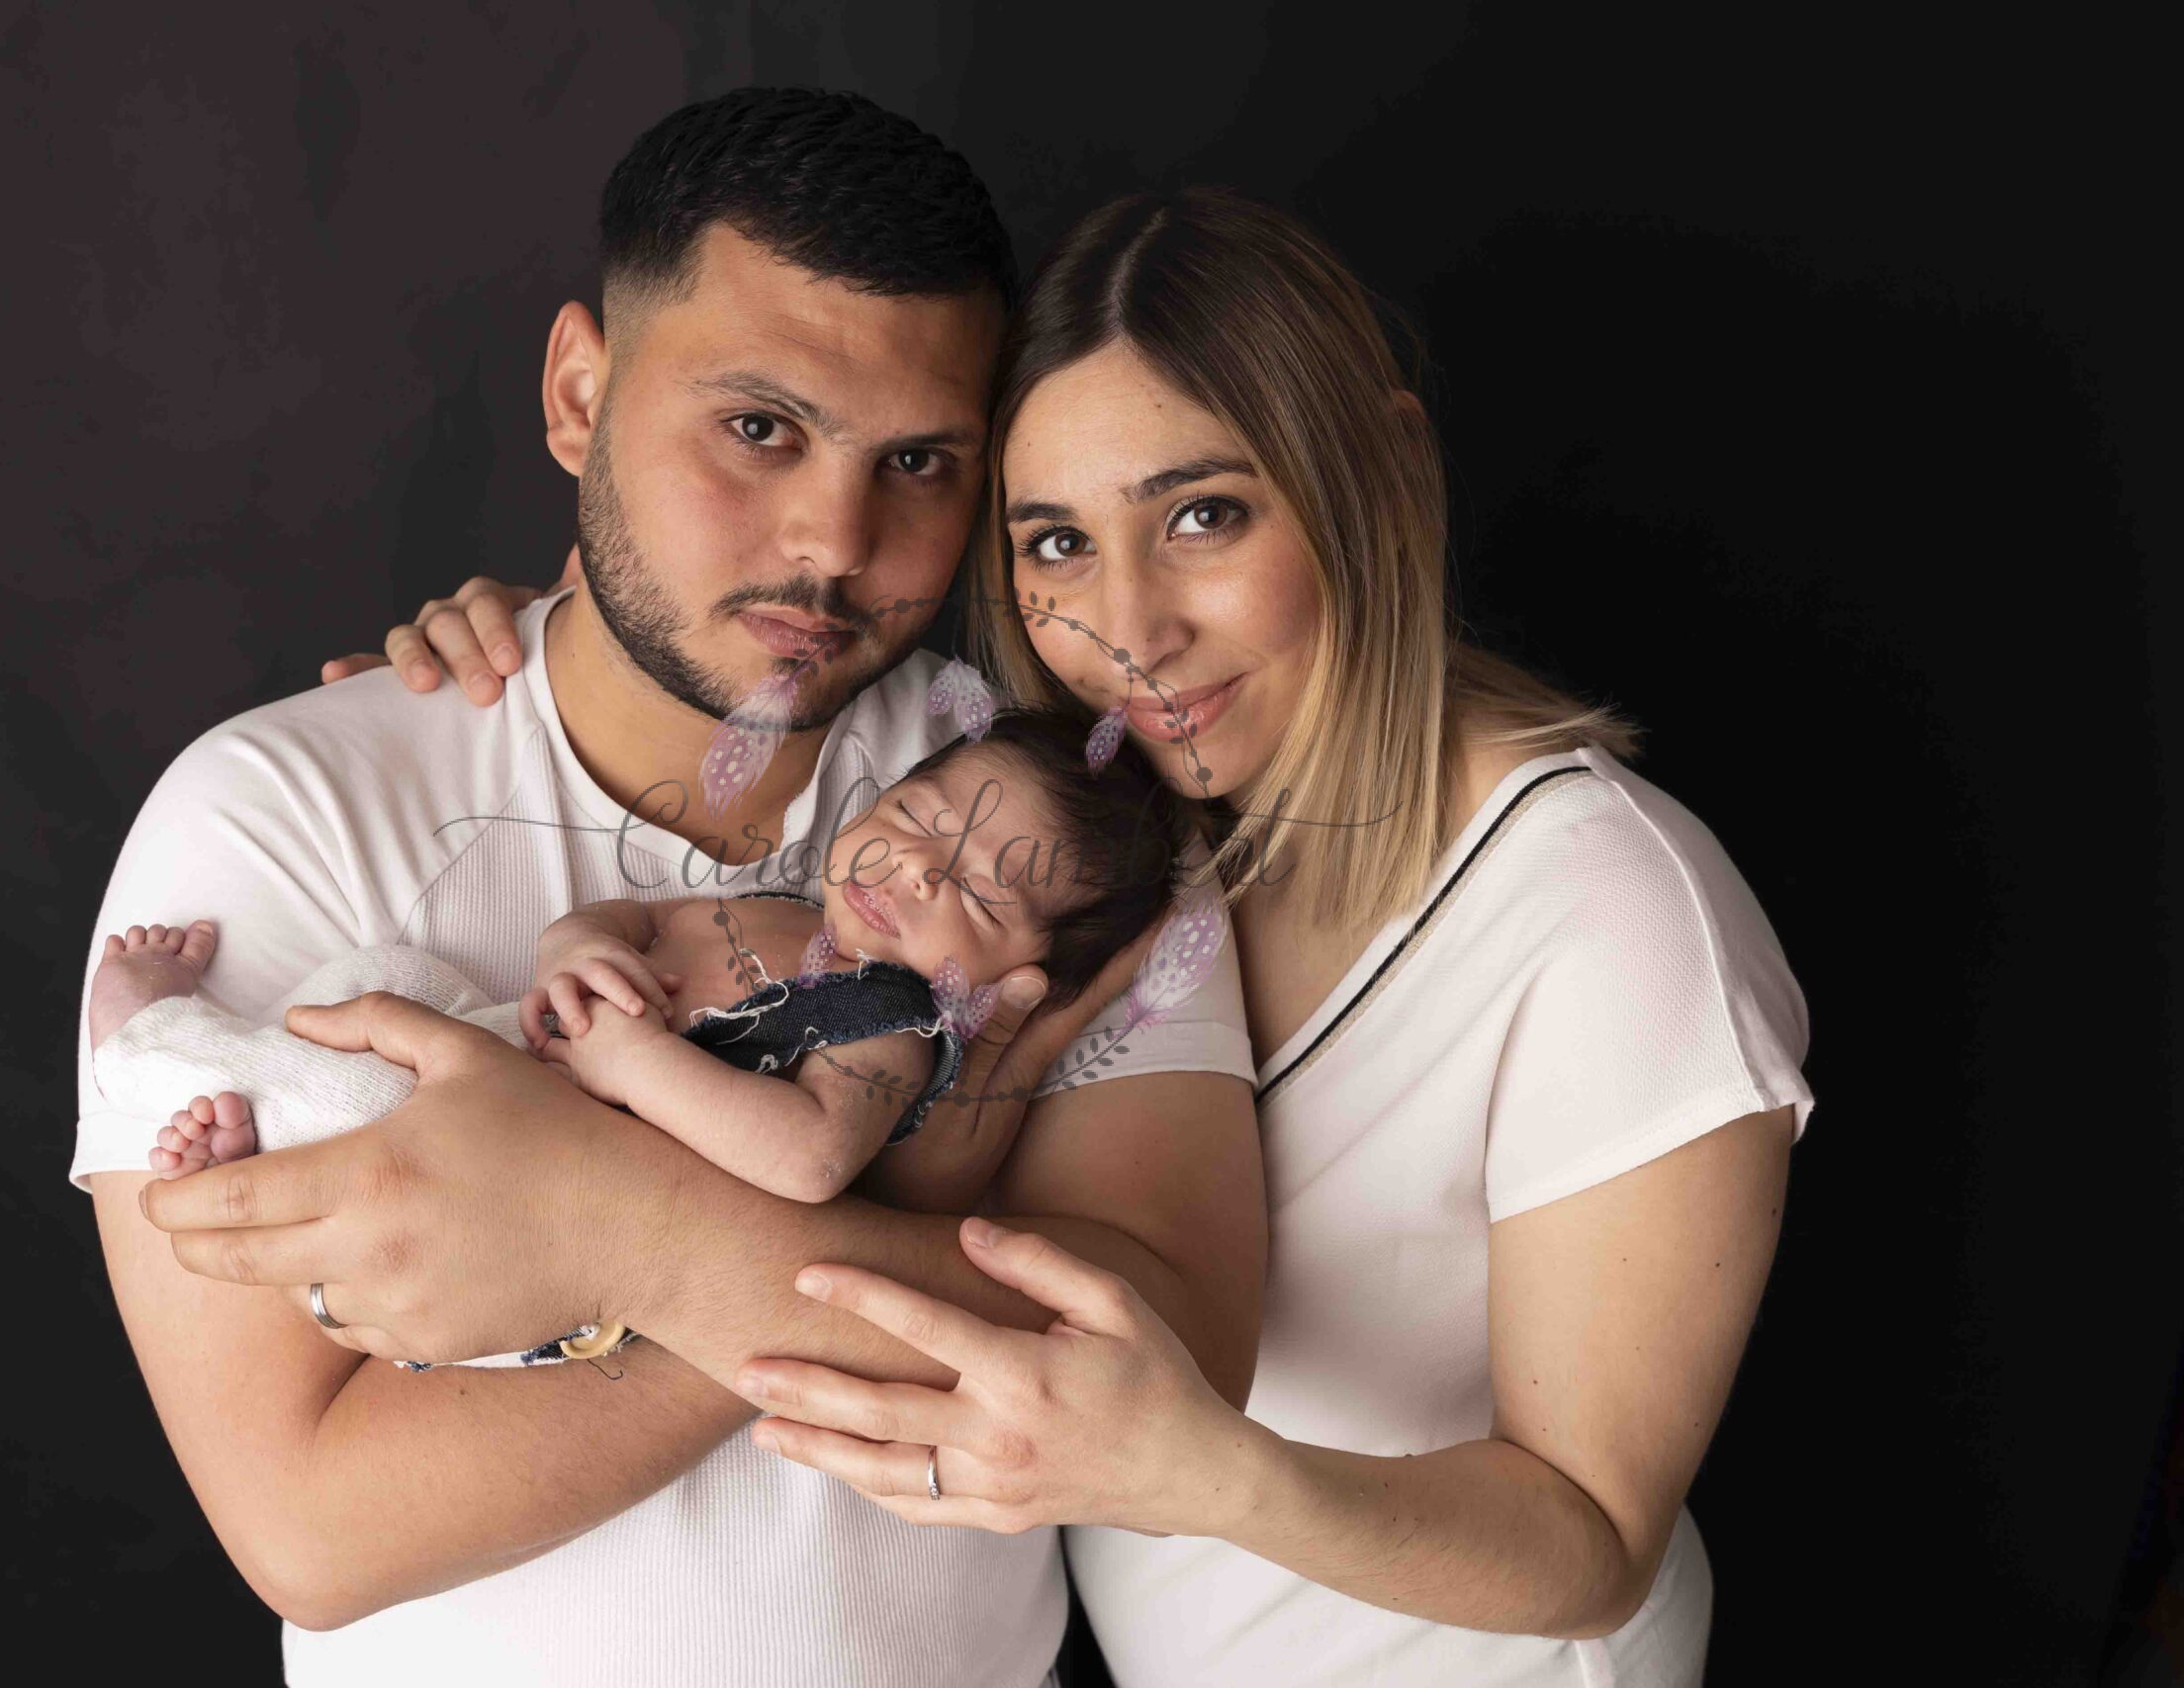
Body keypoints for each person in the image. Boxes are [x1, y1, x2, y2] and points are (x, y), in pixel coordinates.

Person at [373, 187, 1816, 1685]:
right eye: (1058, 541)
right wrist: (526, 657)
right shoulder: (1109, 838)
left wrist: (1206, 1474)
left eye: (1204, 516)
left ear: (1385, 468)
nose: (1130, 627)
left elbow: (1592, 1544)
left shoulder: (1609, 910)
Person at [76, 90, 1264, 1688]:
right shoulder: (285, 806)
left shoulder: (1059, 825)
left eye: (918, 459)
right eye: (759, 428)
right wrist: (919, 1199)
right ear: (581, 393)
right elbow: (314, 1528)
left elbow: (1178, 1358)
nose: (834, 540)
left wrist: (629, 1231)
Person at [83, 707, 1200, 1370]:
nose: (912, 868)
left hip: (527, 1236)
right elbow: (627, 918)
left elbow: (810, 1158)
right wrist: (577, 948)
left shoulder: (889, 1025)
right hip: (496, 1068)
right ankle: (268, 1139)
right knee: (390, 983)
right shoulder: (775, 907)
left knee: (364, 1103)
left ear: (1008, 983)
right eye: (914, 818)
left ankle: (150, 1036)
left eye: (975, 892)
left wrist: (637, 1061)